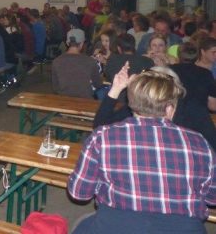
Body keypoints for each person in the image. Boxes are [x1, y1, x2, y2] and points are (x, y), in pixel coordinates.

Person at [68, 69, 216, 233]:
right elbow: (212, 198)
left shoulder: (103, 137)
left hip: (117, 225)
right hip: (185, 228)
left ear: (131, 102)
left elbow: (79, 193)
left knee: (82, 224)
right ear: (169, 108)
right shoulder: (200, 143)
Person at [51, 29, 102, 99]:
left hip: (64, 101)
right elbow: (98, 85)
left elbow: (55, 88)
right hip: (85, 101)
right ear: (82, 44)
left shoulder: (56, 61)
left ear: (67, 43)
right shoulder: (90, 61)